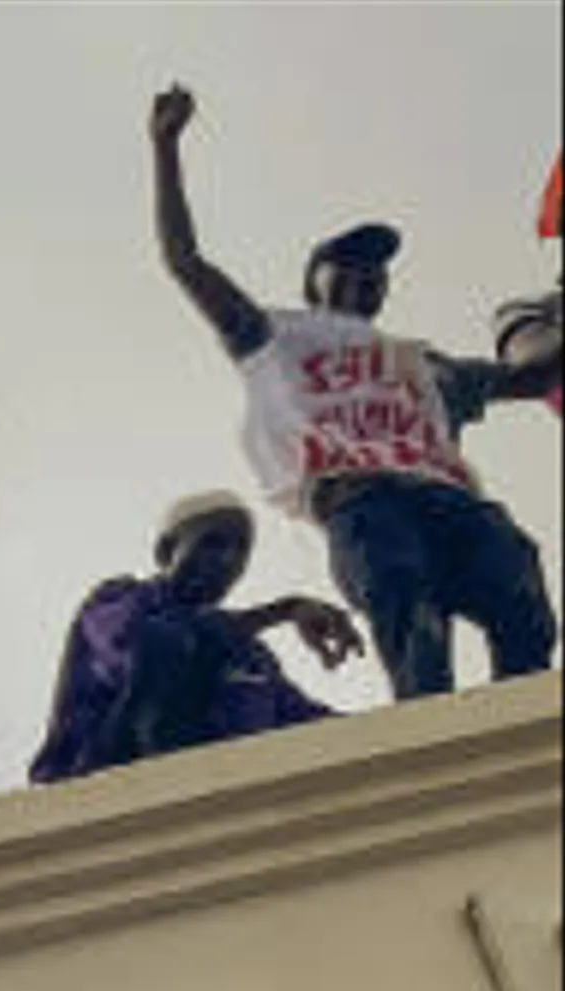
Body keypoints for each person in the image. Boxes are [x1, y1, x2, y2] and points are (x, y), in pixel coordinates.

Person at [151, 85, 559, 699]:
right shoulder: (275, 336)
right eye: (349, 263)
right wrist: (165, 147)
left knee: (518, 590)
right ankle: (429, 729)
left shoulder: (423, 364)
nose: (368, 275)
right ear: (314, 279)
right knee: (407, 604)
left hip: (448, 498)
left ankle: (526, 727)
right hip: (363, 501)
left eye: (378, 272)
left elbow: (533, 377)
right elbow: (186, 261)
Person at [30, 492, 364, 782]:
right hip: (107, 785)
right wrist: (283, 610)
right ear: (166, 551)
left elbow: (303, 721)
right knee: (164, 642)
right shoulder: (120, 600)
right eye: (212, 544)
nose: (227, 560)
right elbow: (135, 647)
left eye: (240, 550)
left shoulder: (250, 656)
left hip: (223, 802)